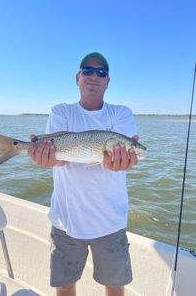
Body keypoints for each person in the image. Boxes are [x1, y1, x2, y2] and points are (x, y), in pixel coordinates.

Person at [28, 52, 139, 296]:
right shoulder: (61, 112)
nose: (94, 76)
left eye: (101, 73)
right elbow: (57, 158)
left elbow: (120, 157)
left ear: (108, 81)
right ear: (77, 78)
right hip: (65, 220)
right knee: (65, 286)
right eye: (87, 70)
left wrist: (122, 162)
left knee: (114, 285)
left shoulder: (121, 114)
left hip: (110, 221)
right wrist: (45, 158)